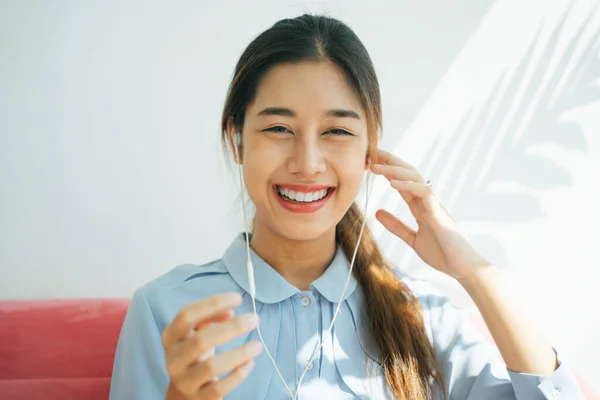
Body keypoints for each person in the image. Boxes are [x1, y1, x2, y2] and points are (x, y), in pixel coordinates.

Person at [109, 14, 583, 400]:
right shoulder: (168, 310)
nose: (307, 163)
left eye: (336, 132)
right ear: (237, 140)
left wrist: (474, 270)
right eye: (278, 129)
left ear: (368, 149)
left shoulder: (421, 314)